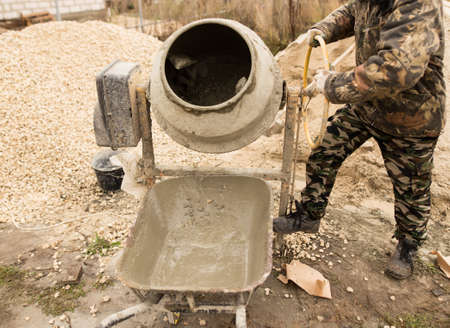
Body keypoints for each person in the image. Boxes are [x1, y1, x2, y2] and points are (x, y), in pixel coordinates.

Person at [274, 0, 446, 280]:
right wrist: (323, 29)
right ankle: (310, 213)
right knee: (326, 149)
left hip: (412, 117)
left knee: (411, 188)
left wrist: (332, 84)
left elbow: (396, 68)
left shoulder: (419, 5)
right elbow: (353, 11)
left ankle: (407, 245)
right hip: (368, 106)